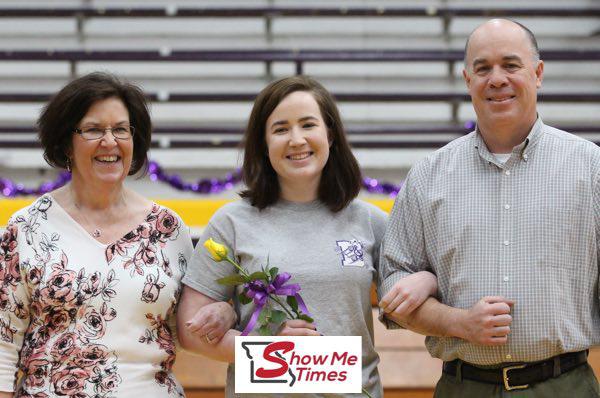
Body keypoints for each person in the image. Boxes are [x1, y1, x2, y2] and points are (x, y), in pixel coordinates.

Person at [177, 75, 438, 398]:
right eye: (281, 129)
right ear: (264, 142)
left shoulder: (370, 221)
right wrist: (272, 351)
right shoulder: (231, 222)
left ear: (330, 135)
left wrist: (428, 279)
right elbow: (189, 333)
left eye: (307, 124)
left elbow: (414, 300)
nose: (296, 139)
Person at [379, 19, 600, 397]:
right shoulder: (428, 176)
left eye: (510, 65)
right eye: (483, 68)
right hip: (463, 386)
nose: (496, 79)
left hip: (565, 385)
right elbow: (393, 287)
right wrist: (459, 323)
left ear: (538, 73)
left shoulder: (591, 168)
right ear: (468, 80)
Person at [0, 72, 234, 397]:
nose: (110, 141)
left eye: (121, 129)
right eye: (94, 129)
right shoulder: (26, 228)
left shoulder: (168, 228)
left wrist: (226, 311)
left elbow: (188, 325)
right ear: (66, 141)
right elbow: (3, 344)